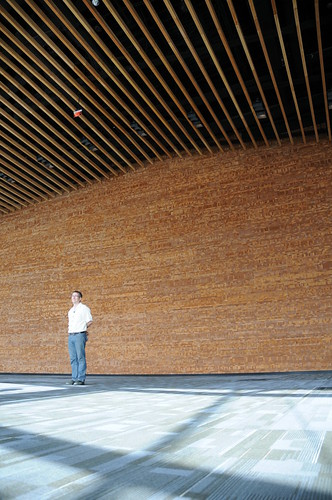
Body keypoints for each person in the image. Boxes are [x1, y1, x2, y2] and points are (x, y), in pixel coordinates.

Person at [68, 290, 93, 385]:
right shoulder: (70, 311)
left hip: (79, 335)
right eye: (72, 296)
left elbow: (90, 321)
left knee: (80, 357)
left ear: (80, 298)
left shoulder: (84, 308)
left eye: (76, 296)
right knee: (73, 358)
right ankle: (74, 378)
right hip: (71, 335)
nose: (73, 297)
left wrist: (83, 328)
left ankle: (81, 378)